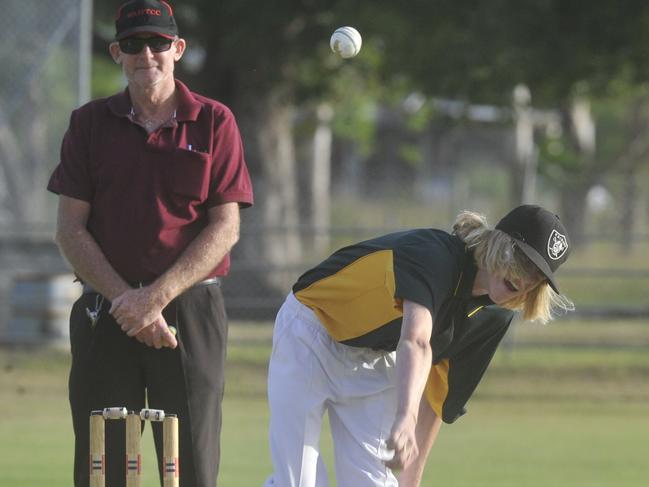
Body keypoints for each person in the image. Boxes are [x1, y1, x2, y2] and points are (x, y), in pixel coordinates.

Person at [47, 1, 253, 485]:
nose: (147, 54)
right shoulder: (89, 123)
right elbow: (69, 229)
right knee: (104, 467)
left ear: (177, 49)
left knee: (192, 468)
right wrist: (127, 301)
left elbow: (225, 228)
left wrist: (153, 300)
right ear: (118, 53)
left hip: (190, 314)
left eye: (159, 43)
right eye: (134, 44)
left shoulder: (215, 121)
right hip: (107, 311)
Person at [263, 204, 573, 487]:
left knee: (372, 482)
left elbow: (439, 395)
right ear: (498, 243)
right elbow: (416, 339)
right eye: (521, 258)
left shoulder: (495, 316)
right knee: (298, 481)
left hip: (377, 356)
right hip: (311, 332)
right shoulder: (436, 256)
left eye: (539, 274)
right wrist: (405, 417)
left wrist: (411, 477)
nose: (526, 278)